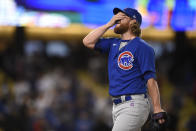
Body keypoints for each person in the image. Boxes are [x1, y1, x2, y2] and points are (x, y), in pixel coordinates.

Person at [83, 7, 166, 131]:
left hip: (133, 104)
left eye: (122, 17)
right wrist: (108, 25)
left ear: (133, 22)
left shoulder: (143, 47)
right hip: (116, 106)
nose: (117, 19)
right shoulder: (113, 44)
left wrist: (157, 108)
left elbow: (151, 79)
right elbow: (87, 41)